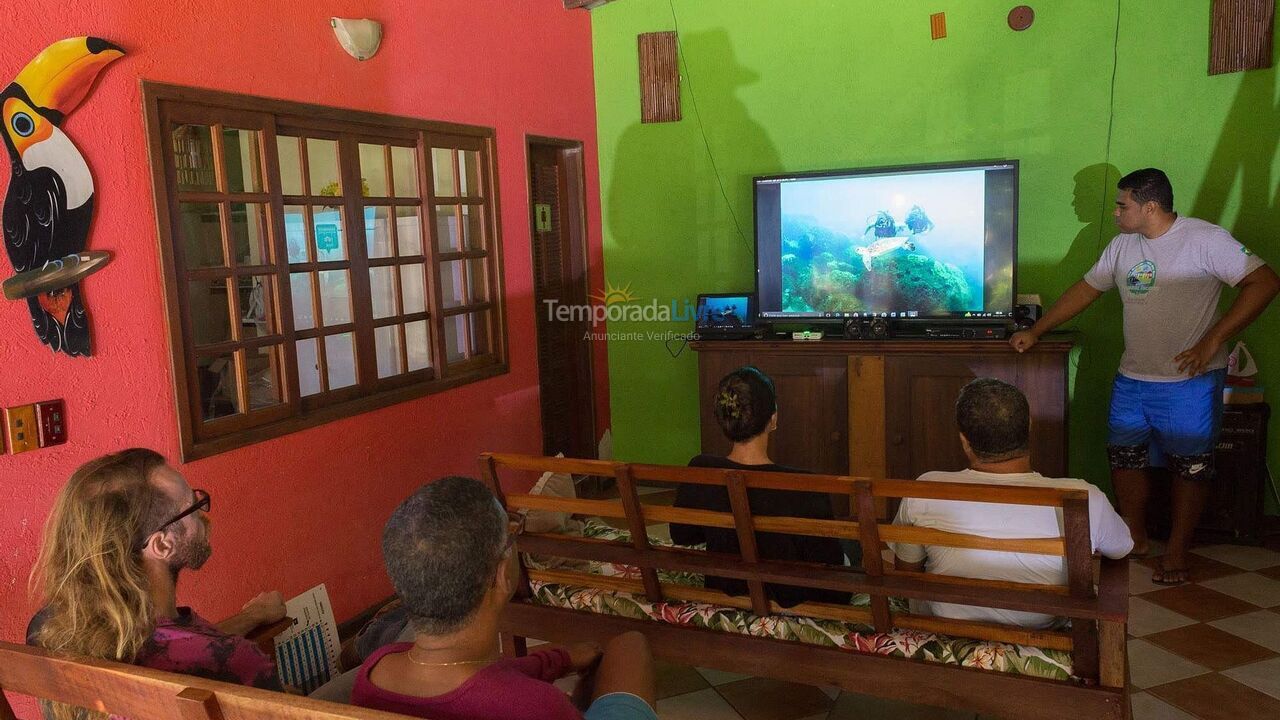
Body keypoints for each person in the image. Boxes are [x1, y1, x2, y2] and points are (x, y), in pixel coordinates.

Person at [1010, 168, 1280, 584]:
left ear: (1150, 206)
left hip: (1190, 381)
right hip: (1133, 378)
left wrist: (1212, 341)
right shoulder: (1122, 245)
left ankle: (1177, 551)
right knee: (1124, 457)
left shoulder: (1205, 240)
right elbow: (1086, 289)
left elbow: (1264, 283)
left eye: (1123, 206)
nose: (1115, 213)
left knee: (1191, 467)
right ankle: (1135, 537)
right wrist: (1037, 330)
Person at [352, 476, 658, 720]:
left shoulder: (376, 671)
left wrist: (558, 660)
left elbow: (482, 680)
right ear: (500, 574)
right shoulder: (539, 706)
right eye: (511, 535)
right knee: (632, 645)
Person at [29, 449, 286, 719]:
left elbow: (173, 647)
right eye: (192, 507)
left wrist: (251, 616)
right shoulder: (240, 664)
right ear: (162, 545)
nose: (203, 515)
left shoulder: (51, 631)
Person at [891, 379, 1134, 628]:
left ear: (964, 441)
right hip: (1041, 629)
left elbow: (907, 571)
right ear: (1029, 426)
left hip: (946, 626)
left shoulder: (925, 488)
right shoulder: (1084, 495)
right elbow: (1121, 549)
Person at [670, 366, 852, 607]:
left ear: (724, 417)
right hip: (792, 601)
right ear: (773, 418)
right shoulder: (803, 485)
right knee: (852, 548)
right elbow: (829, 563)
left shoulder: (700, 469)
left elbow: (682, 535)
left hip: (724, 590)